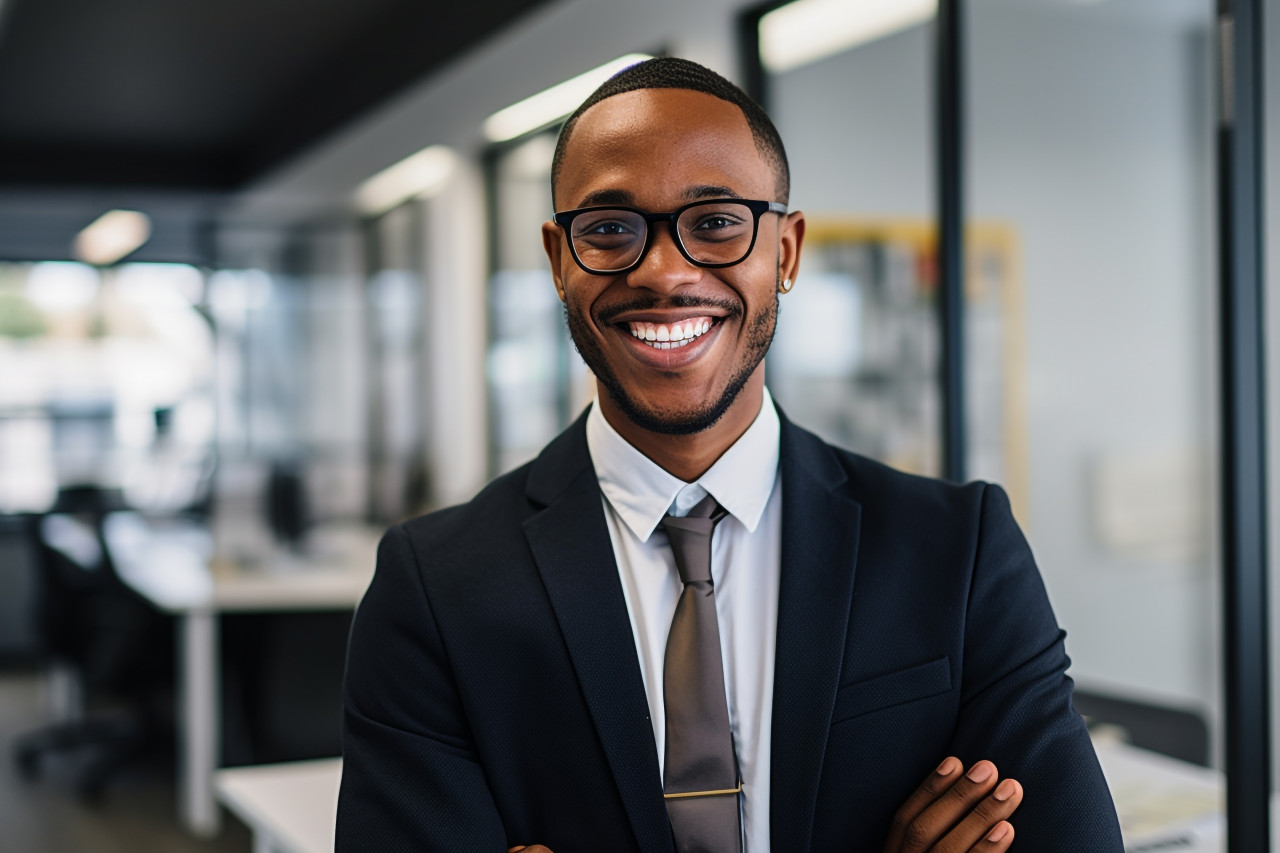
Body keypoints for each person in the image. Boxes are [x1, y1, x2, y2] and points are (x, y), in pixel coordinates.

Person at [336, 57, 1123, 852]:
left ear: (785, 251)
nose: (666, 271)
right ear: (558, 259)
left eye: (715, 222)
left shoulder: (958, 549)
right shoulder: (435, 588)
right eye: (610, 229)